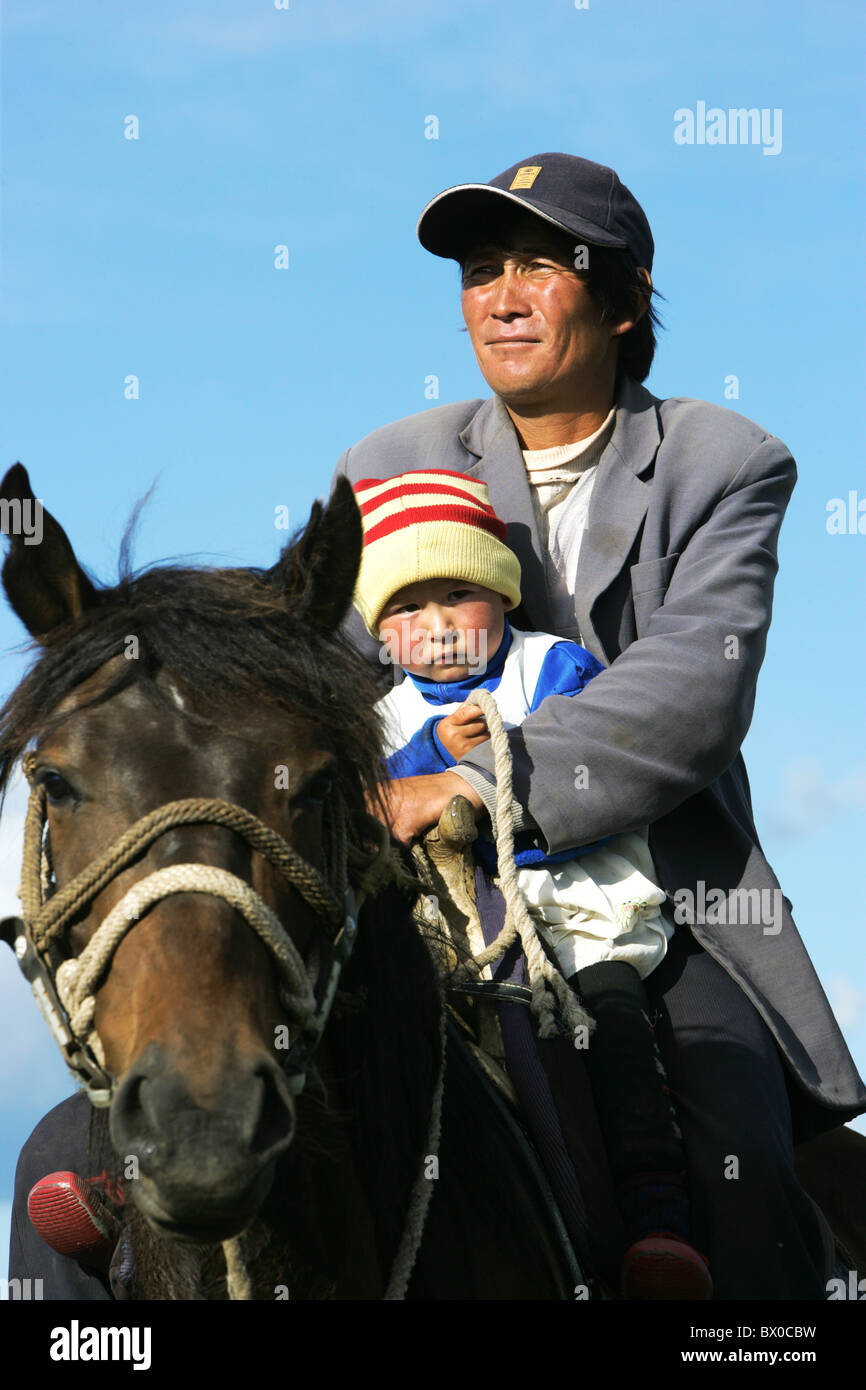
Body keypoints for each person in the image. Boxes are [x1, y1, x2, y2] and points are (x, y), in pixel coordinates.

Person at [331, 152, 866, 1298]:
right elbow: (319, 676)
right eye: (480, 270)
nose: (502, 294)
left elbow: (692, 693)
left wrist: (485, 786)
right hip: (415, 881)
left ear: (623, 302)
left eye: (538, 264)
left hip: (652, 901)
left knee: (744, 1177)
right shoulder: (386, 466)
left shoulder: (724, 459)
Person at [353, 466, 713, 1297]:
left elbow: (586, 770)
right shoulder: (383, 716)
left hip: (576, 916)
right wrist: (428, 755)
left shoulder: (551, 667)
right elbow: (375, 803)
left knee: (618, 1032)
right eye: (408, 608)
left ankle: (658, 1219)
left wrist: (487, 758)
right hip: (449, 933)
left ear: (505, 597)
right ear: (379, 631)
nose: (438, 626)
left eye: (458, 596)